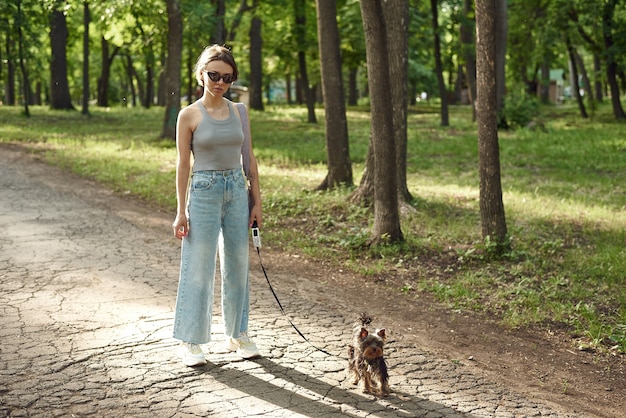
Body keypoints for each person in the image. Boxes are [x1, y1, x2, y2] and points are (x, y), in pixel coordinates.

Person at [171, 45, 262, 366]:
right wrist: (181, 210)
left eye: (227, 77)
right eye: (214, 75)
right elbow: (183, 166)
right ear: (200, 74)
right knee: (199, 265)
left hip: (237, 190)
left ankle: (237, 334)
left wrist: (256, 202)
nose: (220, 82)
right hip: (204, 191)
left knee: (237, 264)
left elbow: (248, 157)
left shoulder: (240, 111)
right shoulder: (189, 115)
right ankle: (191, 341)